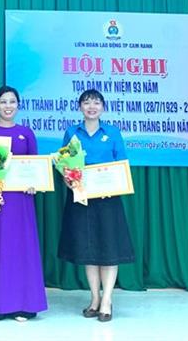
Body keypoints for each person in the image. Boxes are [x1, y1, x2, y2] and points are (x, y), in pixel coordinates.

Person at [58, 89, 135, 323]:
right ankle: (94, 298)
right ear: (80, 107)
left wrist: (113, 184)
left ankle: (107, 300)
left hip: (108, 200)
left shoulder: (112, 133)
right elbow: (65, 165)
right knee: (88, 249)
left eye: (96, 103)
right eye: (86, 102)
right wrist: (69, 179)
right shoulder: (72, 133)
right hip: (81, 198)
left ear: (103, 107)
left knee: (109, 249)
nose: (91, 107)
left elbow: (122, 165)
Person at [0, 86, 48, 321]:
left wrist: (34, 183)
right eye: (3, 102)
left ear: (18, 105)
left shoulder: (26, 133)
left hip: (21, 201)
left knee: (21, 249)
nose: (8, 106)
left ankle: (24, 304)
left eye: (12, 102)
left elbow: (34, 166)